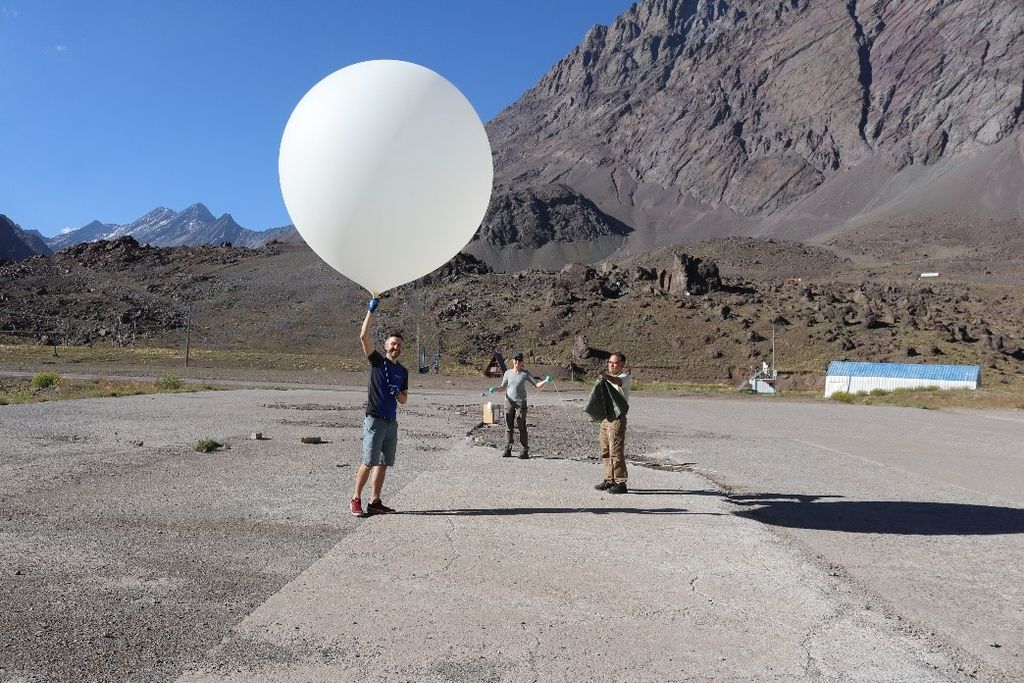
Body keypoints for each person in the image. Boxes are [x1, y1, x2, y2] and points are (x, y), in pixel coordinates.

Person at [350, 296, 408, 517]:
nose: (396, 347)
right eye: (393, 343)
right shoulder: (377, 362)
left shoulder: (402, 371)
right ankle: (356, 498)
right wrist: (370, 311)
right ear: (385, 346)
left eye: (399, 345)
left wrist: (397, 393)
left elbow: (404, 400)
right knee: (368, 461)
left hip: (391, 421)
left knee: (383, 464)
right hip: (374, 419)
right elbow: (363, 337)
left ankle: (375, 501)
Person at [490, 352, 550, 459]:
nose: (517, 362)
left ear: (522, 362)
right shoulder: (507, 373)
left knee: (521, 425)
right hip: (508, 401)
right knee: (509, 425)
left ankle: (525, 449)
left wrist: (545, 380)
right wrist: (495, 389)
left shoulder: (525, 374)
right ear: (513, 361)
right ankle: (508, 447)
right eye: (515, 360)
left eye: (519, 360)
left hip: (521, 402)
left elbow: (536, 385)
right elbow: (502, 387)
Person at [594, 352, 630, 494]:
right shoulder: (605, 379)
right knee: (606, 450)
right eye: (610, 362)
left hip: (617, 418)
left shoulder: (624, 377)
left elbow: (617, 382)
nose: (611, 365)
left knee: (616, 450)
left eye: (614, 363)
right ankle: (609, 479)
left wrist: (604, 375)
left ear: (622, 364)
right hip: (605, 418)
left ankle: (621, 482)